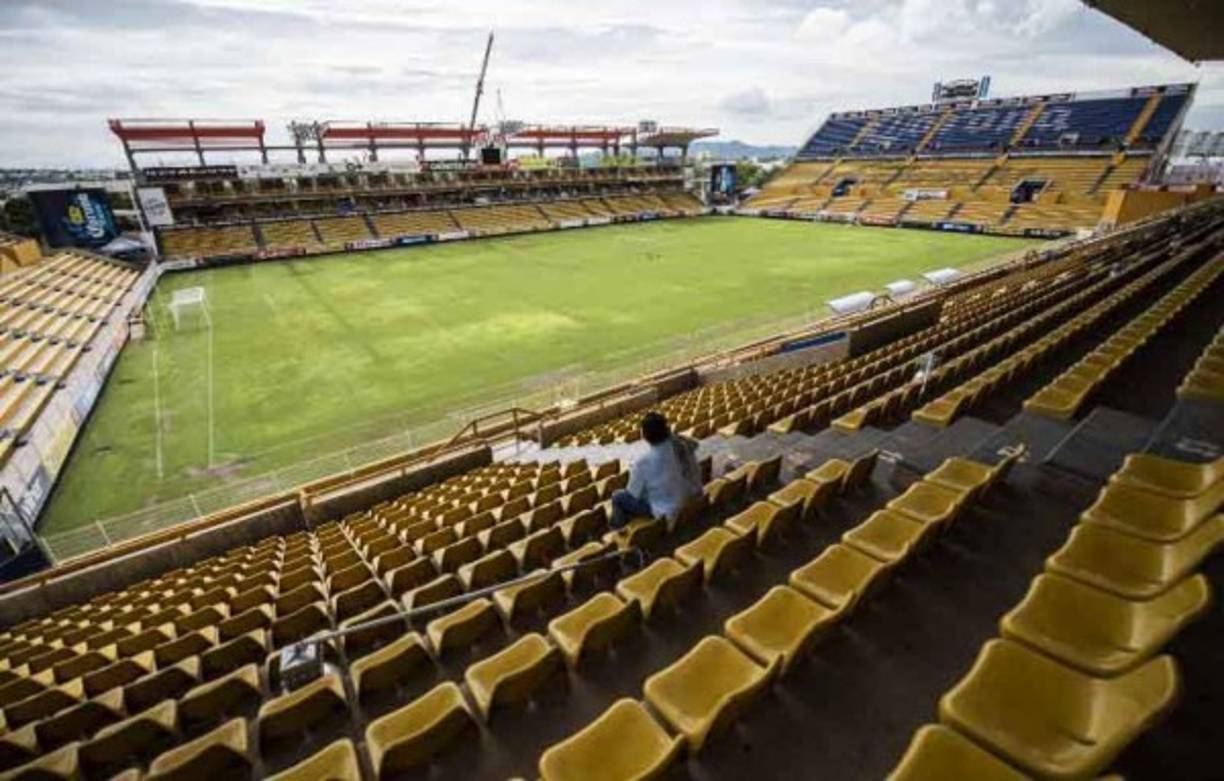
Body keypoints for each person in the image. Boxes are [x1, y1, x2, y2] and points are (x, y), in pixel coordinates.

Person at [610, 412, 702, 531]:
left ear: (645, 436)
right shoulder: (682, 444)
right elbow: (695, 444)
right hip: (692, 496)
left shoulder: (642, 463)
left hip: (669, 511)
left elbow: (632, 493)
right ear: (667, 430)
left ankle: (618, 534)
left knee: (618, 497)